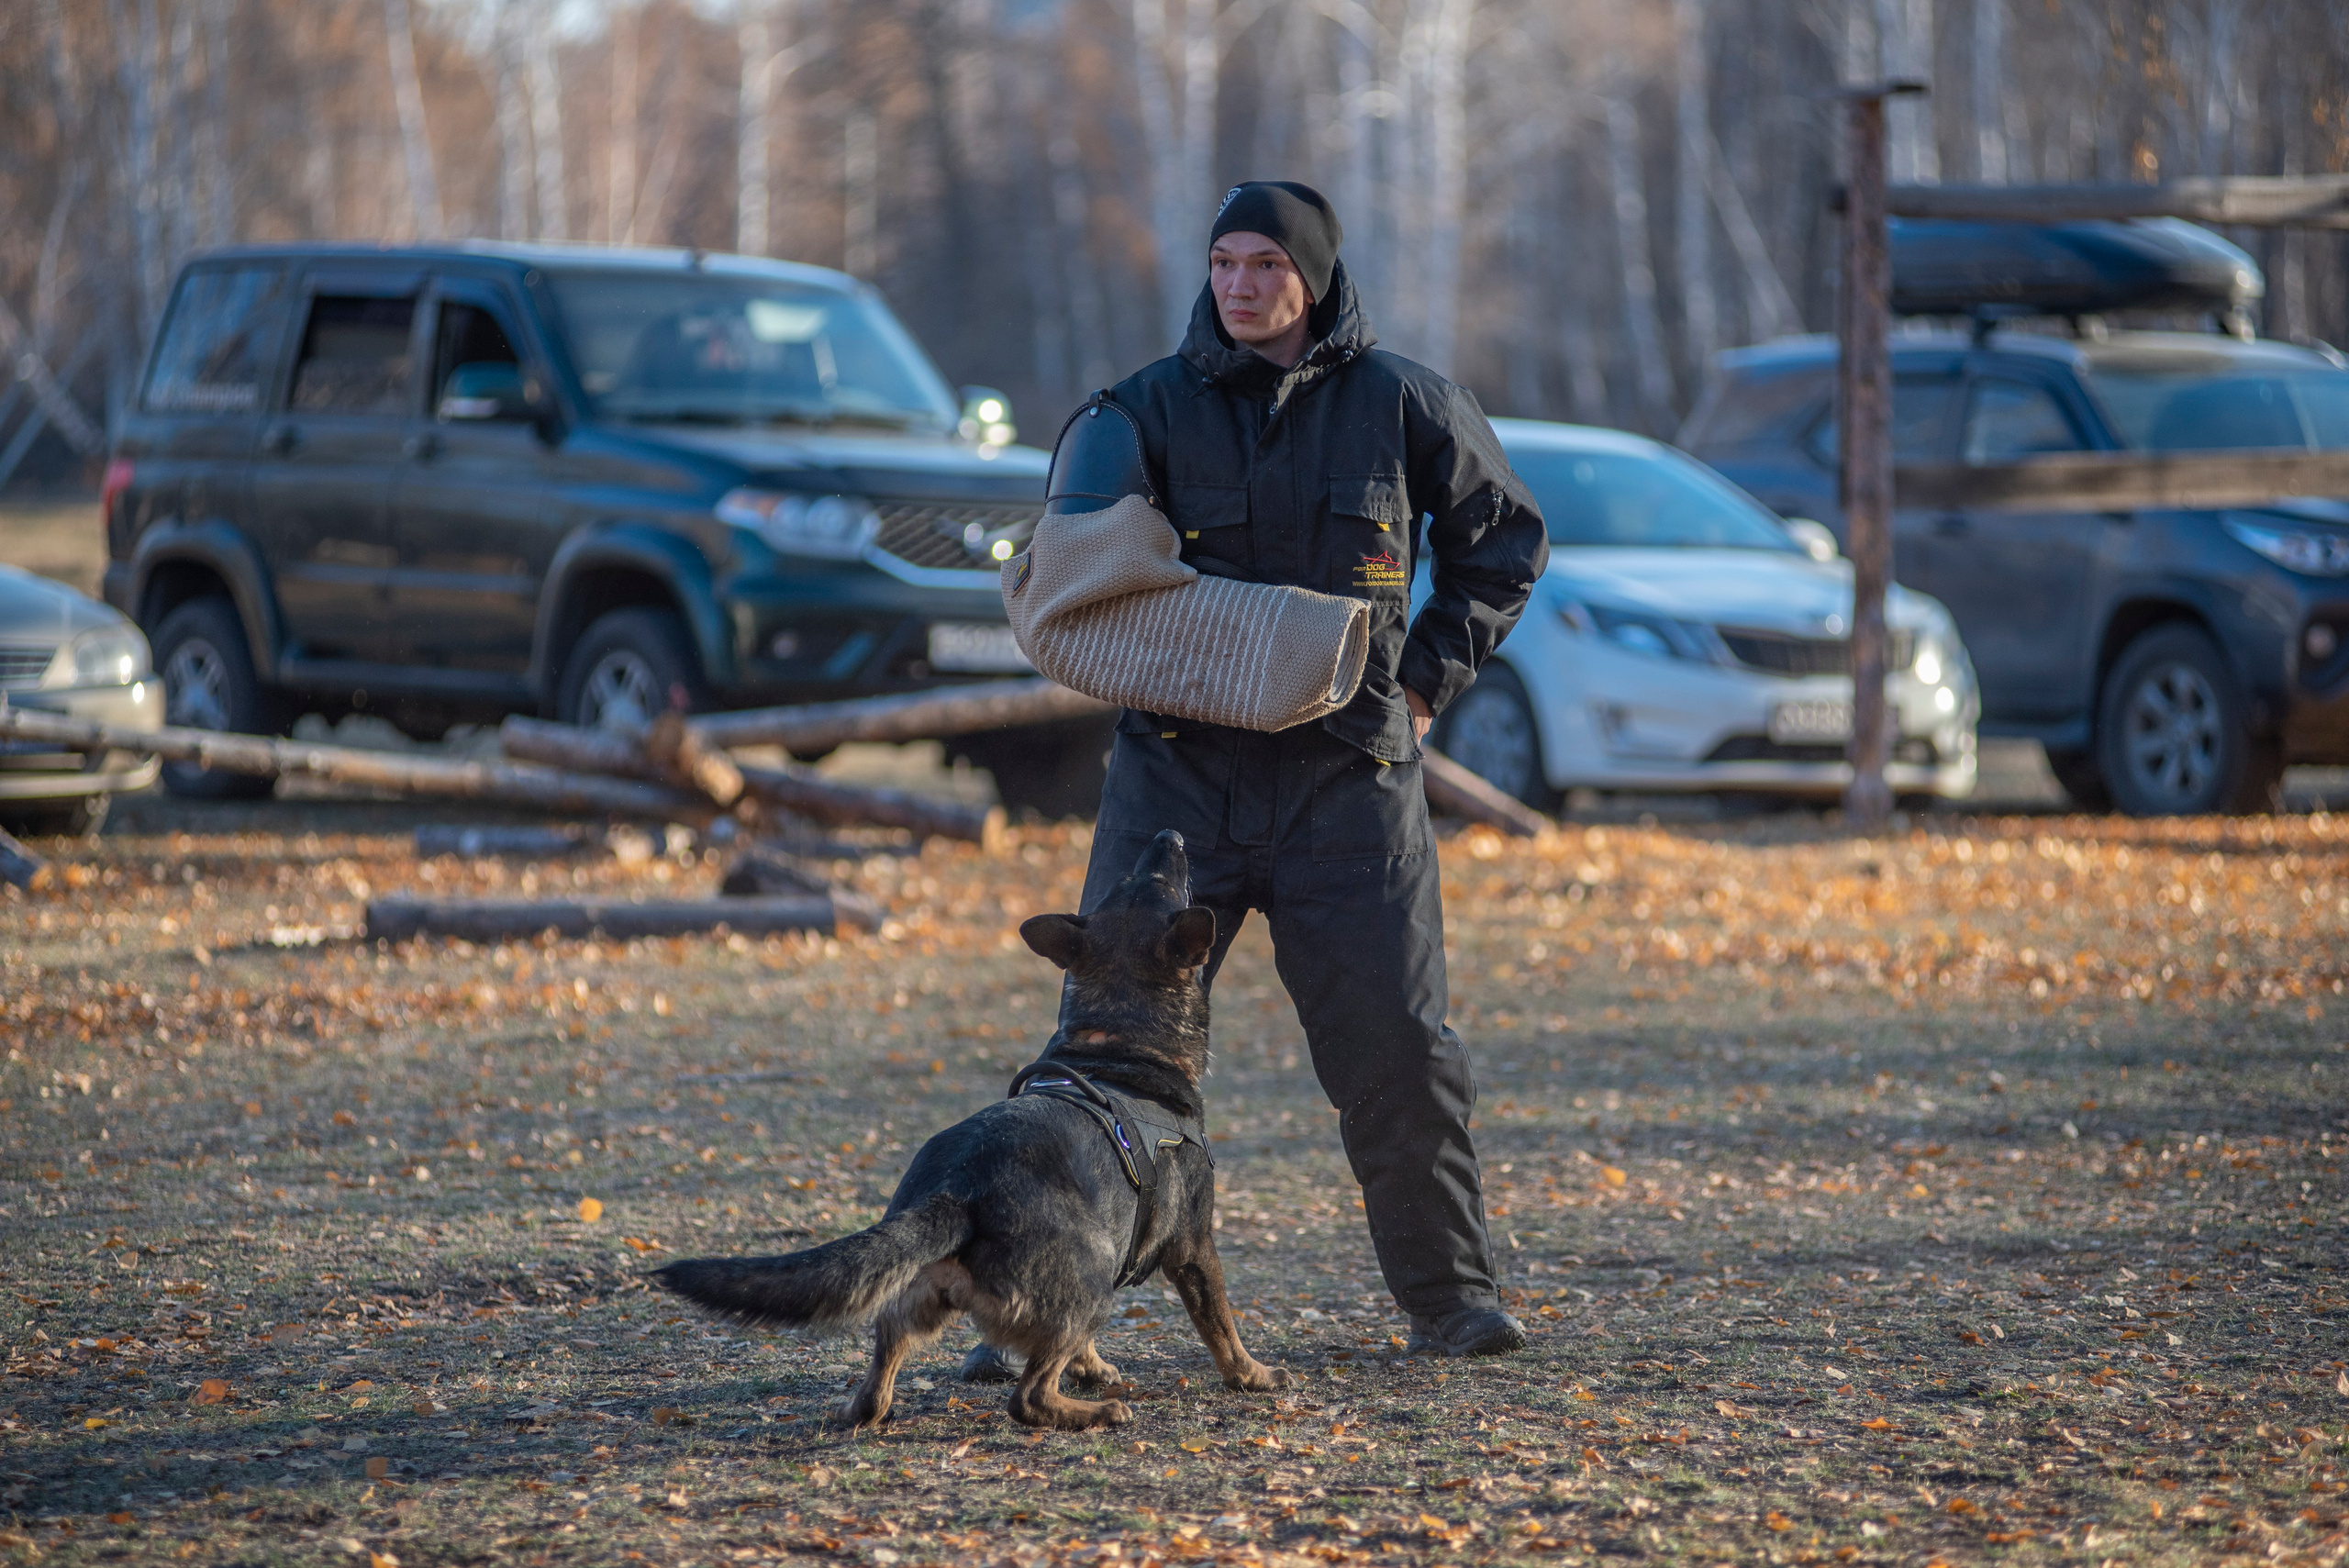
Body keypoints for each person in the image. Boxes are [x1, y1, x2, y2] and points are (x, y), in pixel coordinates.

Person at [1050, 180, 1548, 1359]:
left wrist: (1424, 682)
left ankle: (1449, 1299)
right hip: (1177, 781)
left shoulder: (1403, 401)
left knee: (1398, 1046)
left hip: (1347, 783)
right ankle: (1048, 1300)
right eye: (1223, 263)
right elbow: (1072, 571)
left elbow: (1505, 540)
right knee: (1104, 1051)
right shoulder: (1141, 409)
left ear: (1313, 276)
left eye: (1265, 264)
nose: (1239, 286)